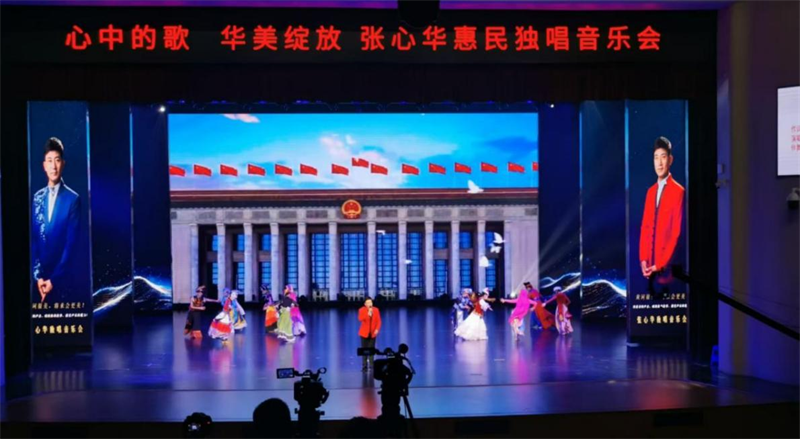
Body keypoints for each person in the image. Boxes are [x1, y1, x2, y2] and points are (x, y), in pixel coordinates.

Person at [31, 137, 80, 304]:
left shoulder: (73, 199)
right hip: (39, 282)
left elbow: (71, 246)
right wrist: (37, 277)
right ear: (44, 165)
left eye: (57, 160)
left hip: (62, 281)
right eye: (49, 160)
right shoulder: (37, 197)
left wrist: (53, 281)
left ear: (63, 164)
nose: (53, 166)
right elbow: (34, 241)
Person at [639, 136, 685, 299]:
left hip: (668, 268)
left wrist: (661, 264)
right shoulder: (651, 191)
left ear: (670, 160)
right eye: (656, 157)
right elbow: (645, 227)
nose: (659, 163)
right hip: (650, 268)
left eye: (663, 157)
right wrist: (643, 259)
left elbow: (676, 233)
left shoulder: (678, 191)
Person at [358, 298, 381, 371]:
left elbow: (379, 321)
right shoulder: (361, 310)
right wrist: (368, 314)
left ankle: (371, 365)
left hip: (373, 333)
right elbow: (360, 319)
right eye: (368, 303)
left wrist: (377, 329)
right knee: (364, 350)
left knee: (371, 349)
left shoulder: (376, 310)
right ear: (365, 304)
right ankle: (364, 365)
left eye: (370, 302)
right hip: (364, 333)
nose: (369, 304)